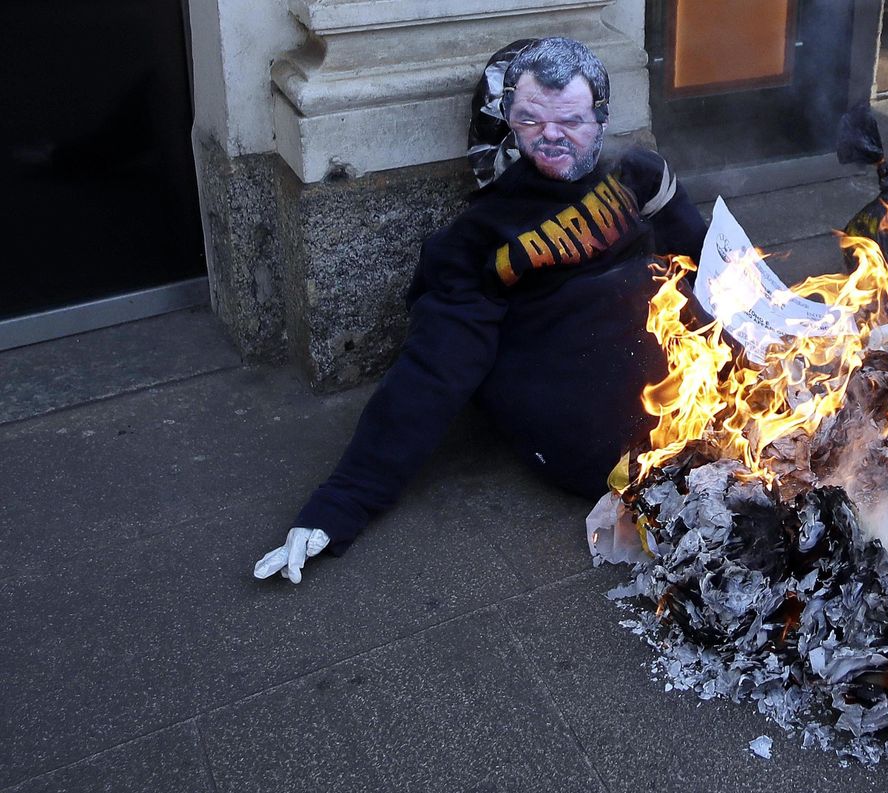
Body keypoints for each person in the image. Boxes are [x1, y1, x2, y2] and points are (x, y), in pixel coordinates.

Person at [254, 37, 707, 583]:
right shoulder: (475, 240)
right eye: (531, 120)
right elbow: (434, 370)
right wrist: (342, 501)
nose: (553, 135)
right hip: (606, 442)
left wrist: (777, 320)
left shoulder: (637, 174)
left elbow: (706, 256)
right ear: (507, 124)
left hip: (700, 393)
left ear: (601, 118)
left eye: (571, 118)